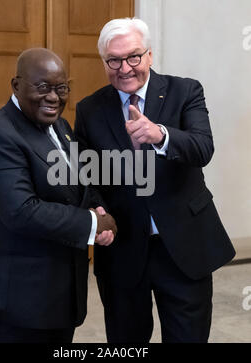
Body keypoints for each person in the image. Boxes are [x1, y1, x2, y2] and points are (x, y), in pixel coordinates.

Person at [74, 18, 236, 343]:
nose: (125, 68)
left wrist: (159, 134)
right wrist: (97, 209)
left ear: (150, 55)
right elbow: (85, 176)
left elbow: (203, 148)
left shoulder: (185, 90)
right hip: (123, 251)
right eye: (114, 60)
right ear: (105, 61)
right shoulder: (90, 109)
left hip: (183, 248)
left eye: (133, 57)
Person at [0, 48, 117, 343]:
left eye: (61, 88)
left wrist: (96, 207)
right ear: (16, 85)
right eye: (42, 87)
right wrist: (92, 224)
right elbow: (22, 211)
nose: (54, 97)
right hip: (17, 301)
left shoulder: (60, 125)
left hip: (57, 297)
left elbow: (79, 182)